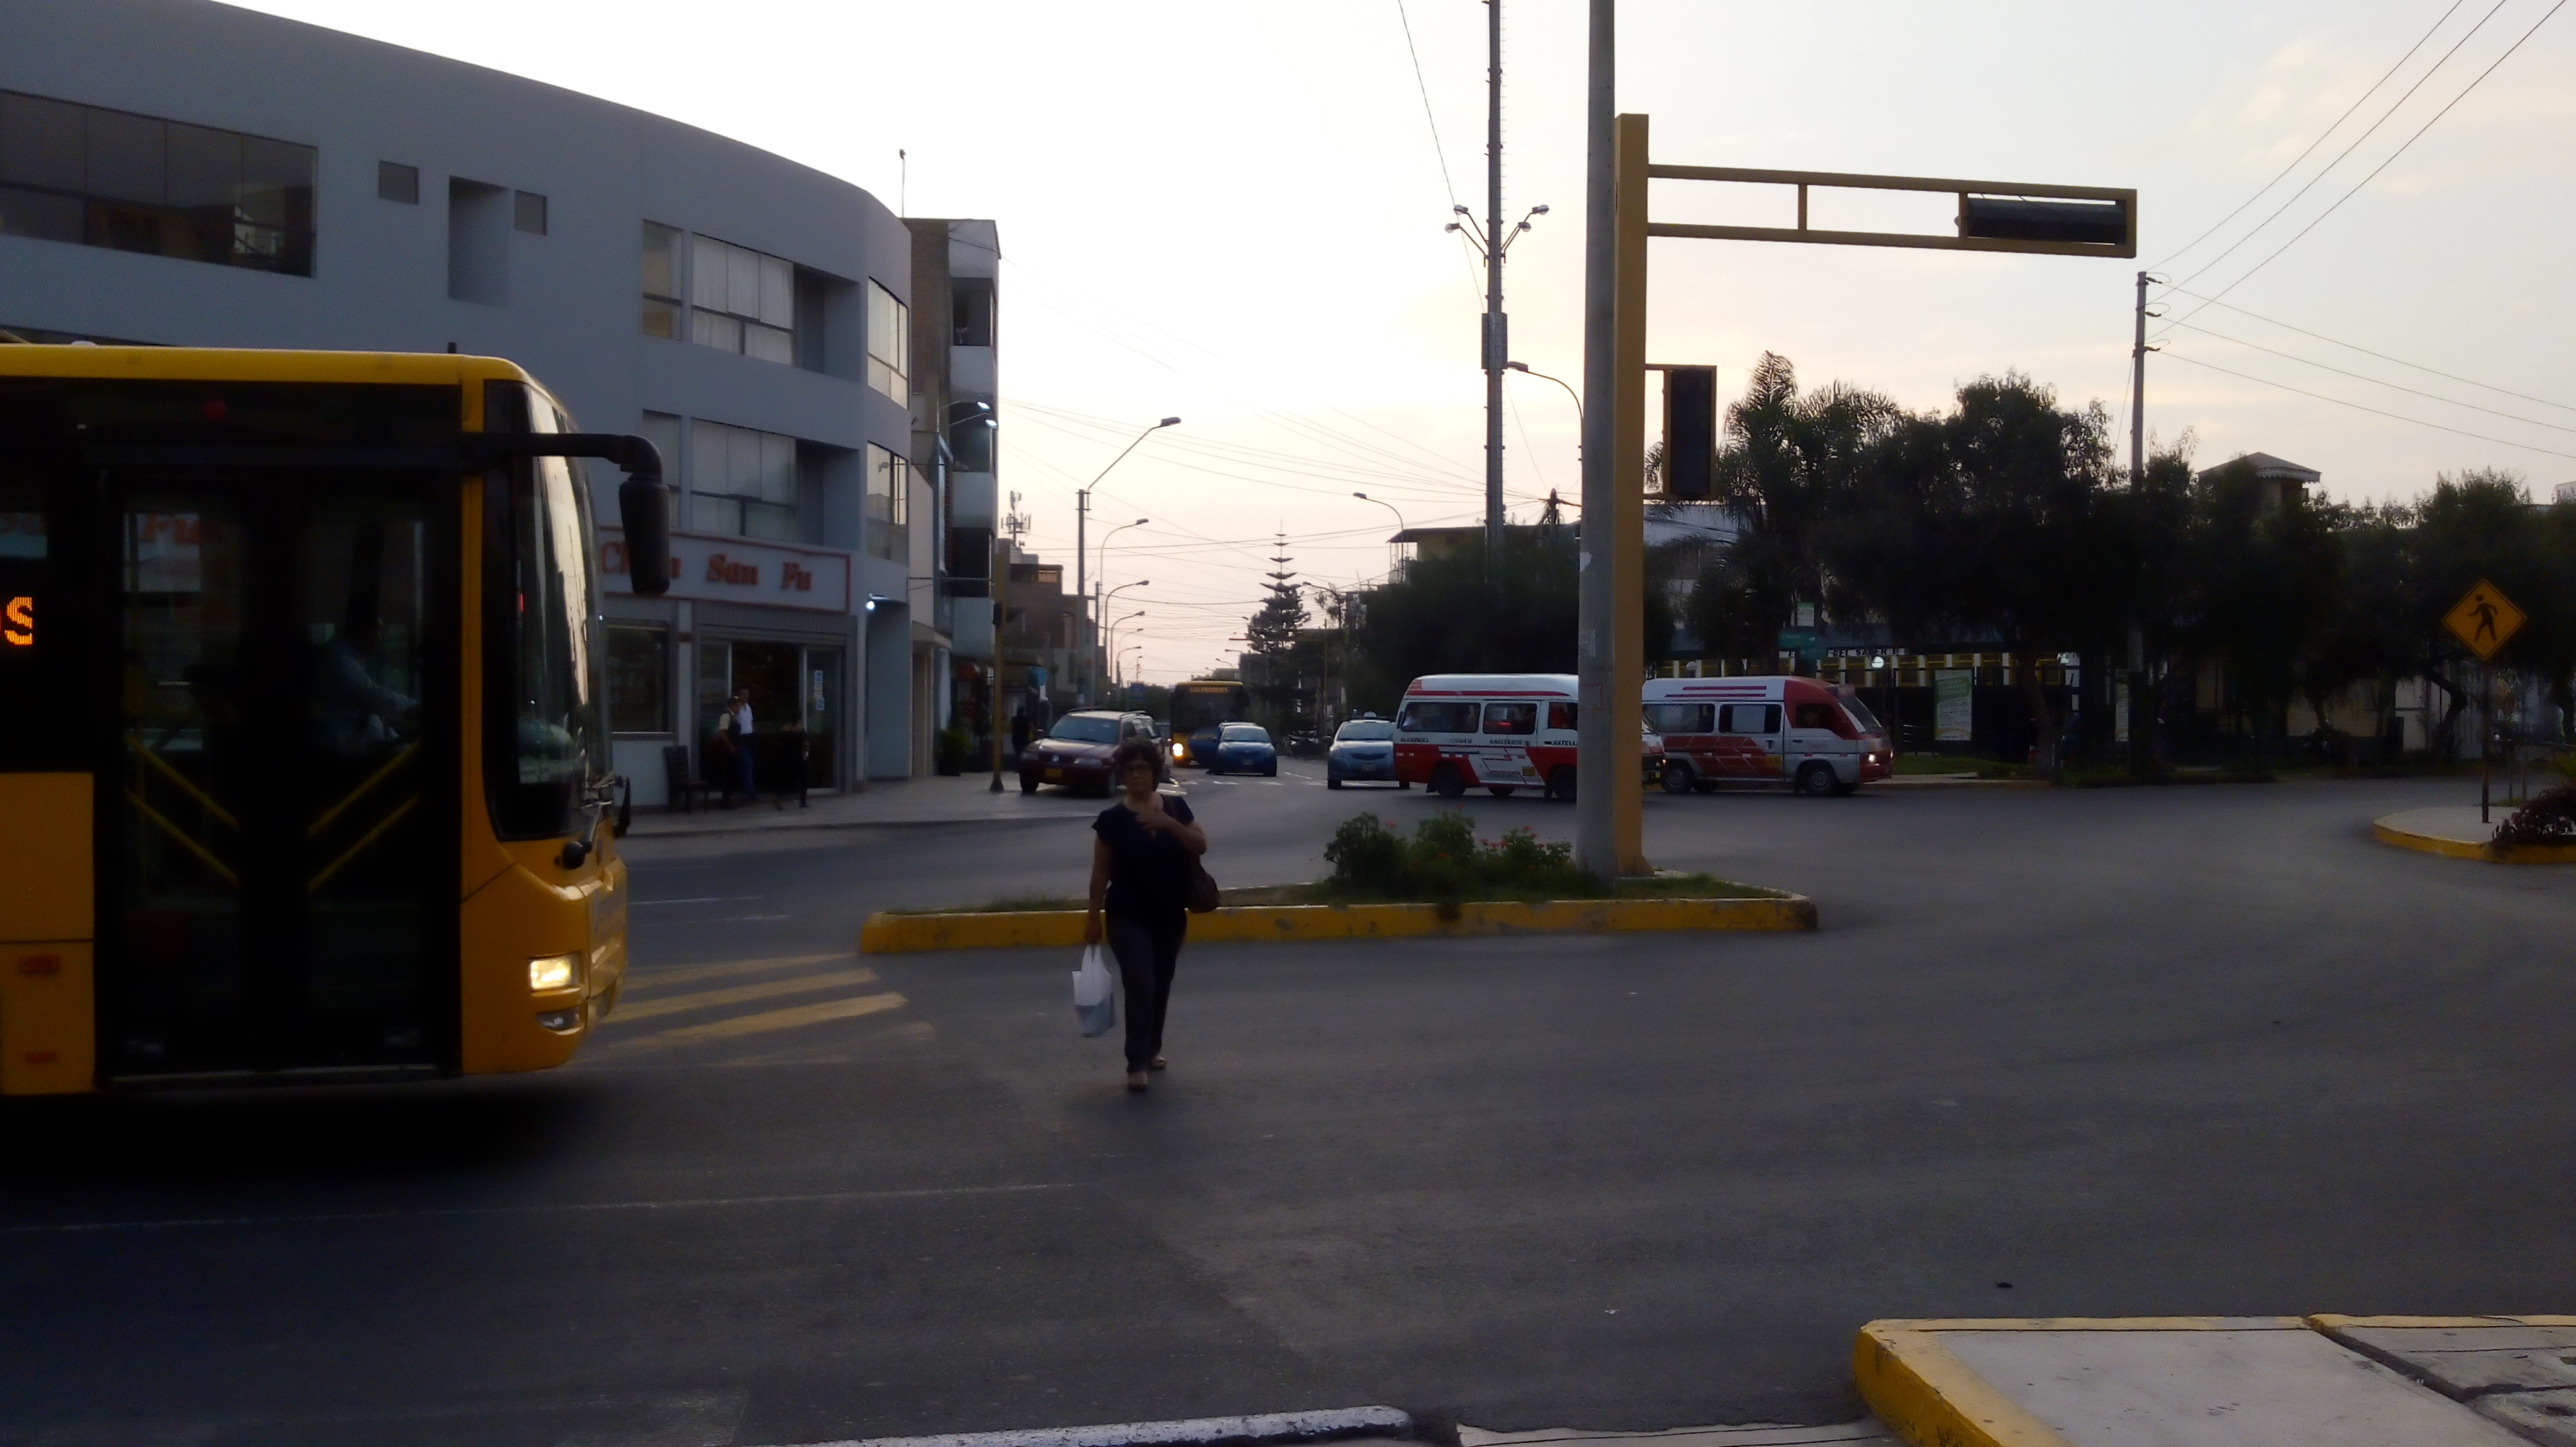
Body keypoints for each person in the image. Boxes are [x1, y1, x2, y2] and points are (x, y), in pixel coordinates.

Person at [1085, 738, 1208, 1092]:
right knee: (1140, 983)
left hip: (1170, 913)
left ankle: (1153, 1048)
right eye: (1130, 769)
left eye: (1143, 769)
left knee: (1161, 983)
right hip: (1127, 915)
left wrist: (1168, 824)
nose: (1136, 775)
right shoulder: (1112, 820)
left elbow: (1201, 845)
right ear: (1123, 775)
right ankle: (1135, 1062)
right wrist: (1093, 917)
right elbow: (1099, 873)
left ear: (1155, 774)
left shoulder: (1176, 808)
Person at [728, 689, 756, 801]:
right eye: (743, 694)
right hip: (740, 738)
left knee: (749, 764)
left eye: (747, 694)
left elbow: (751, 721)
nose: (746, 696)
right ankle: (750, 790)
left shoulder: (748, 707)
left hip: (750, 737)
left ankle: (747, 788)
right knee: (746, 763)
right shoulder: (737, 708)